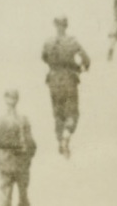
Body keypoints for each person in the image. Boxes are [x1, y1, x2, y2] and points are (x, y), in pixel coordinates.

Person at [41, 16, 90, 157]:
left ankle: (59, 140)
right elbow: (86, 60)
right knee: (72, 112)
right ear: (66, 25)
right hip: (69, 79)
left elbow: (43, 57)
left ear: (54, 25)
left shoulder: (48, 42)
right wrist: (80, 68)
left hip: (53, 80)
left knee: (58, 111)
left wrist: (54, 65)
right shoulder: (72, 41)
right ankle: (66, 139)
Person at [0, 90, 36, 206]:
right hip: (19, 162)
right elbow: (31, 144)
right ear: (17, 99)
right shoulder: (23, 119)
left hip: (6, 162)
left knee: (6, 197)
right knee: (22, 197)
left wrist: (0, 160)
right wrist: (28, 157)